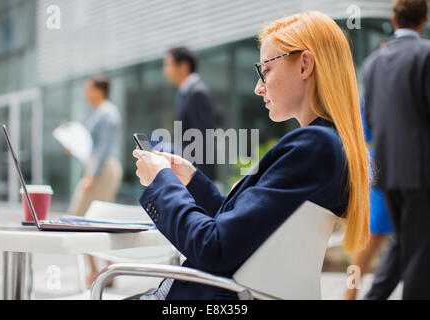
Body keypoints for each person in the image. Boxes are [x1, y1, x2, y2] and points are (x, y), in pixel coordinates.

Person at [131, 11, 370, 300]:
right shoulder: (325, 146)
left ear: (305, 64)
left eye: (265, 71)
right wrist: (191, 180)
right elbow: (243, 230)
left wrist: (161, 180)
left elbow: (213, 247)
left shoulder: (313, 146)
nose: (258, 87)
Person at [363, 0, 430, 300]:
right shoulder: (425, 54)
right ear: (425, 20)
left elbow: (372, 117)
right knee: (420, 247)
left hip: (386, 166)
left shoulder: (373, 61)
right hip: (421, 167)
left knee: (403, 242)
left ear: (393, 18)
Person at [66, 74, 123, 287]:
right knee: (93, 218)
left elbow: (103, 147)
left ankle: (103, 270)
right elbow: (93, 146)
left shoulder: (107, 113)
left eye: (88, 89)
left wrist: (92, 175)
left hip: (102, 168)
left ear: (100, 90)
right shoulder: (102, 112)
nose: (85, 94)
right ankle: (104, 270)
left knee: (80, 217)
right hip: (100, 166)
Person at [342, 99, 393, 300]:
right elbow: (363, 131)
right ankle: (350, 292)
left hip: (391, 167)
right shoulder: (373, 88)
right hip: (382, 169)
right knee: (370, 238)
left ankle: (350, 293)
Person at [163, 47, 216, 180]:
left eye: (168, 64)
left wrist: (200, 180)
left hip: (195, 174)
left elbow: (204, 139)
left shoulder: (198, 93)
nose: (165, 70)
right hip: (186, 172)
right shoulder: (184, 94)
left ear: (183, 66)